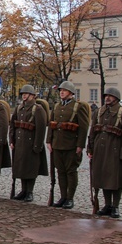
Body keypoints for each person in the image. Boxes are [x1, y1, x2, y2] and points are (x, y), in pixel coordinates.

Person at [87, 87, 122, 218]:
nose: (107, 98)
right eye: (106, 96)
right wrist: (90, 148)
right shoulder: (98, 112)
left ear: (116, 98)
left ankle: (115, 206)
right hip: (100, 150)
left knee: (115, 180)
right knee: (103, 178)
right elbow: (92, 132)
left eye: (110, 96)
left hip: (115, 150)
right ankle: (107, 204)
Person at [46, 81, 90, 209]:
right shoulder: (57, 106)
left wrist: (80, 145)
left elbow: (83, 127)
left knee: (70, 172)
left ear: (71, 92)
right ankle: (63, 196)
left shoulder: (78, 107)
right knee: (60, 172)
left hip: (71, 144)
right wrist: (49, 140)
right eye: (60, 90)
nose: (62, 92)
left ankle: (70, 198)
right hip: (57, 144)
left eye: (64, 90)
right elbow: (51, 124)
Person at [9, 85, 48, 202]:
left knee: (30, 168)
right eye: (23, 94)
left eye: (27, 94)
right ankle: (23, 190)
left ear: (33, 96)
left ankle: (29, 191)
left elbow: (41, 129)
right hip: (20, 143)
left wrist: (37, 146)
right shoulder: (19, 108)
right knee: (21, 167)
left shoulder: (38, 109)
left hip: (31, 144)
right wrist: (12, 140)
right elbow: (12, 125)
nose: (24, 96)